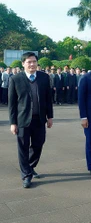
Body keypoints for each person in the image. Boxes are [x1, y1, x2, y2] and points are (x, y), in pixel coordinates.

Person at [8, 52, 53, 188]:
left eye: (34, 61)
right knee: (23, 148)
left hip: (39, 119)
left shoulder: (44, 78)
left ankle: (30, 166)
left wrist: (50, 116)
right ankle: (26, 175)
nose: (32, 64)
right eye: (29, 62)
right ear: (23, 64)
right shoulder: (16, 79)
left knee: (38, 144)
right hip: (22, 120)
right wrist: (13, 123)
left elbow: (48, 99)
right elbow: (12, 103)